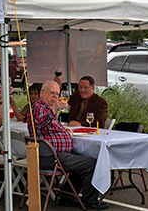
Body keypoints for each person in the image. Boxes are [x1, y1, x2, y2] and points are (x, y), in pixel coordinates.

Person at [27, 81, 104, 209]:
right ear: (42, 92)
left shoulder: (45, 108)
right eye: (52, 93)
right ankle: (90, 203)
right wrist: (55, 109)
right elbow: (40, 123)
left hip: (53, 155)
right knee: (91, 163)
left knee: (83, 158)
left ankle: (66, 196)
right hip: (51, 157)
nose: (55, 97)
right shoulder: (39, 106)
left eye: (57, 94)